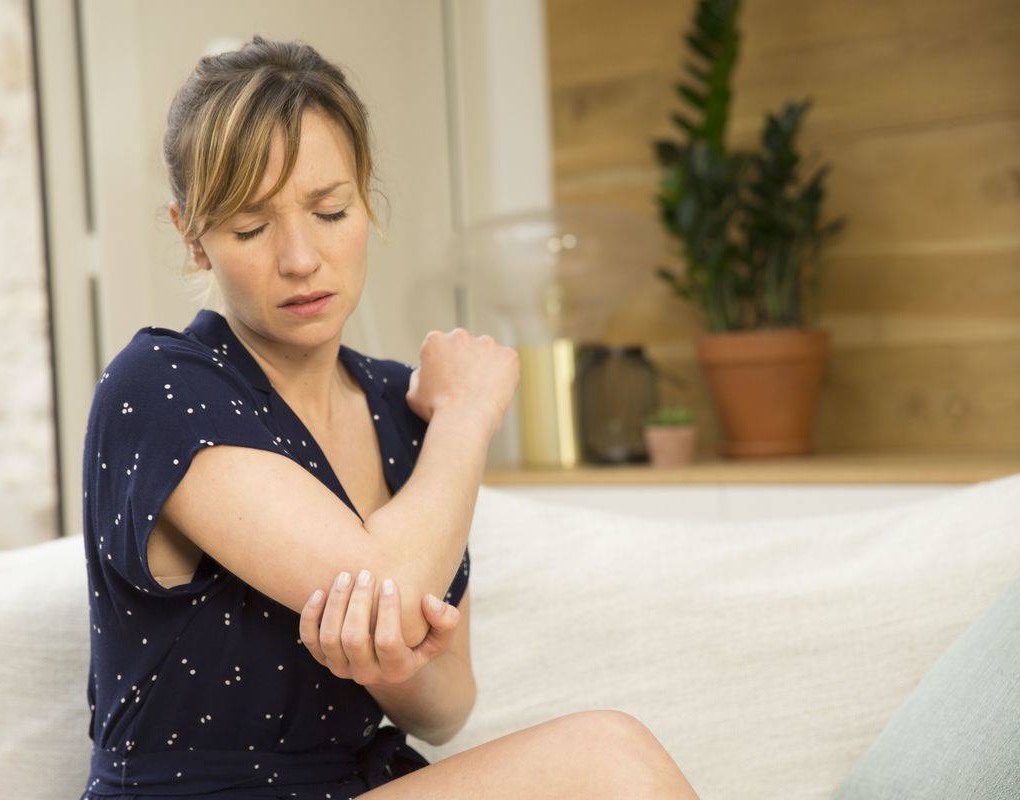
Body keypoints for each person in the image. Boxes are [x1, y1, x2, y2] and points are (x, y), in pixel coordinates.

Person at [80, 34, 700, 800]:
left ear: (366, 197)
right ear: (191, 236)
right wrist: (469, 416)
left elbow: (446, 709)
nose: (301, 257)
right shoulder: (161, 390)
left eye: (329, 209)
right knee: (608, 757)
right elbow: (391, 582)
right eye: (250, 228)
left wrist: (393, 667)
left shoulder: (403, 413)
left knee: (618, 758)